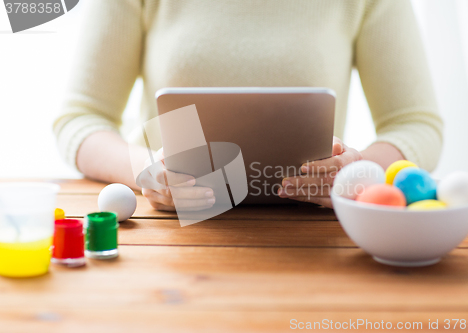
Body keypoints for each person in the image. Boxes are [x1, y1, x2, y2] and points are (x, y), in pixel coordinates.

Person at [53, 0, 443, 210]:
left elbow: (416, 123)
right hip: (172, 240)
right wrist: (145, 170)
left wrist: (355, 171)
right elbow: (80, 118)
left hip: (313, 240)